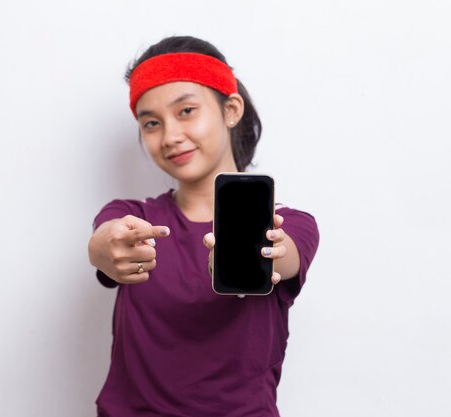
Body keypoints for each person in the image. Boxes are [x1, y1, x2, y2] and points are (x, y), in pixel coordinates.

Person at [88, 35, 319, 417]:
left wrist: (261, 256)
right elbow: (106, 239)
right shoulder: (135, 220)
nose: (170, 137)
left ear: (231, 110)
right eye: (151, 123)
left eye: (186, 111)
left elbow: (285, 256)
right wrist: (100, 250)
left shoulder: (292, 226)